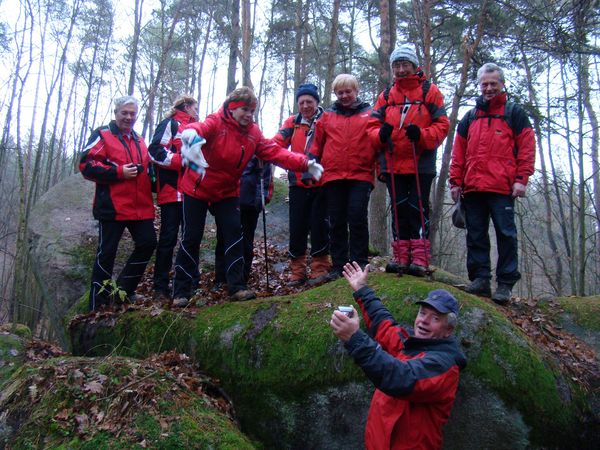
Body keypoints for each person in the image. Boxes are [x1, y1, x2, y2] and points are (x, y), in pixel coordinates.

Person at [172, 86, 323, 306]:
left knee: (234, 234)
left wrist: (304, 163)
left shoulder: (253, 133)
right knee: (191, 237)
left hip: (227, 191)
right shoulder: (216, 121)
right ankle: (181, 291)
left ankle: (236, 286)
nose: (249, 115)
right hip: (197, 187)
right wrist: (190, 135)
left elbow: (275, 152)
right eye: (244, 109)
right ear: (232, 108)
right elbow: (197, 128)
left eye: (252, 111)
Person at [330, 262, 466, 450]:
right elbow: (383, 323)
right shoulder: (409, 345)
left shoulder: (444, 366)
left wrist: (355, 339)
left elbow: (401, 377)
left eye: (435, 318)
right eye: (422, 313)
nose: (423, 321)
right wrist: (361, 289)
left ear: (448, 330)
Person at [449, 62, 536, 305]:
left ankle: (505, 284)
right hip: (473, 187)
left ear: (502, 84)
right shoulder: (470, 117)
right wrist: (455, 181)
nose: (488, 88)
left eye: (493, 84)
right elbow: (458, 152)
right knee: (475, 234)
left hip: (502, 187)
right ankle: (480, 280)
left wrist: (522, 179)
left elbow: (527, 147)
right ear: (479, 85)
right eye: (484, 84)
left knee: (506, 234)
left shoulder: (514, 113)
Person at [369, 43, 449, 277]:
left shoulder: (430, 91)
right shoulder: (385, 96)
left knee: (418, 207)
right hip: (393, 161)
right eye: (397, 65)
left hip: (420, 161)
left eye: (405, 64)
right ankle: (401, 256)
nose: (401, 70)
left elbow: (442, 125)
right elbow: (371, 127)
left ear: (414, 66)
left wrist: (422, 135)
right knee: (398, 208)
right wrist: (380, 134)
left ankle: (420, 258)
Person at [79, 96, 157, 311]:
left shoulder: (140, 140)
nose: (129, 117)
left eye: (132, 113)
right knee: (106, 253)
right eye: (125, 113)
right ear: (116, 113)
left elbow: (149, 171)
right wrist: (118, 172)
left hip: (140, 207)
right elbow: (86, 165)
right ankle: (97, 304)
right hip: (112, 206)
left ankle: (124, 290)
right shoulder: (103, 134)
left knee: (148, 243)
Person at [309, 74, 375, 280]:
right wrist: (310, 163)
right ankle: (339, 265)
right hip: (333, 175)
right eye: (340, 92)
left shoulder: (369, 113)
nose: (344, 96)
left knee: (357, 217)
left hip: (361, 174)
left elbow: (377, 141)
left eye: (348, 91)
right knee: (336, 221)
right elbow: (317, 144)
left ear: (356, 91)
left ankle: (359, 263)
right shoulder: (327, 116)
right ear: (335, 94)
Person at [274, 83, 331, 286]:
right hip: (297, 183)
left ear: (316, 101)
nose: (305, 106)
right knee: (297, 227)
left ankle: (320, 267)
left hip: (321, 182)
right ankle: (297, 271)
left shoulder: (327, 119)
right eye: (301, 102)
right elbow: (277, 143)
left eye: (309, 101)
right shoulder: (292, 122)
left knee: (319, 225)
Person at [148, 95, 198, 302]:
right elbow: (155, 151)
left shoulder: (196, 129)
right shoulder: (170, 124)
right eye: (195, 107)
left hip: (192, 193)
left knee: (191, 237)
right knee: (168, 238)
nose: (197, 111)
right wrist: (182, 160)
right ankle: (160, 286)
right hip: (171, 191)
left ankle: (190, 283)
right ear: (186, 106)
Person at [213, 156, 273, 290]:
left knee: (245, 241)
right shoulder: (225, 148)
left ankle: (241, 278)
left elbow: (265, 175)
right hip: (226, 200)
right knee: (223, 239)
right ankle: (221, 278)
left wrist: (260, 200)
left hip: (248, 203)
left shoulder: (257, 150)